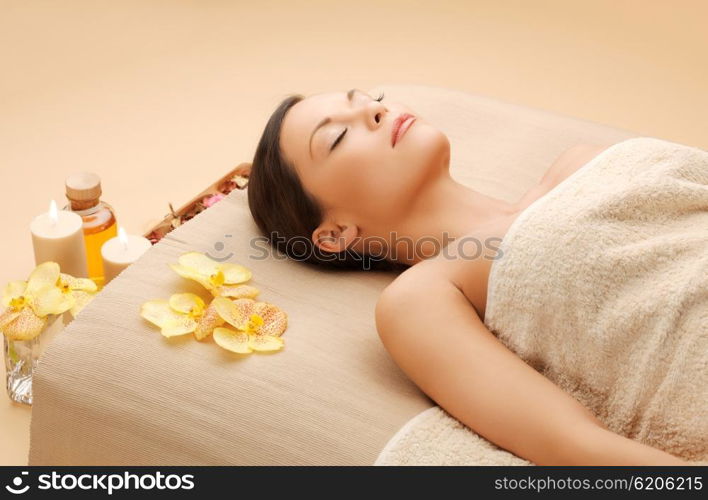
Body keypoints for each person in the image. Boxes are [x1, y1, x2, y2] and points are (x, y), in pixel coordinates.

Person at [247, 88, 688, 465]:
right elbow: (576, 446)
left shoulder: (579, 161)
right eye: (338, 136)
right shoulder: (422, 298)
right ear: (335, 233)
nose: (375, 111)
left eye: (371, 100)